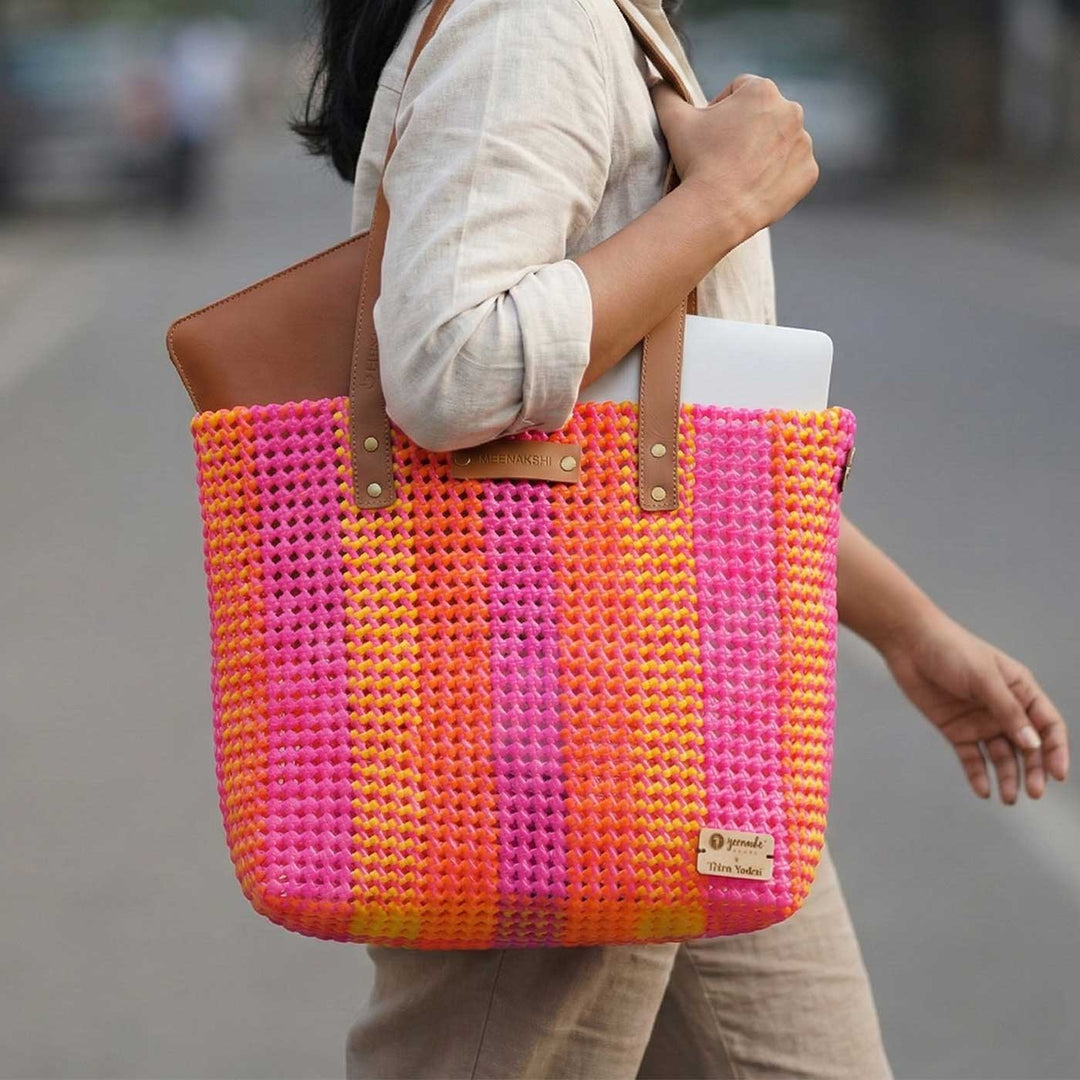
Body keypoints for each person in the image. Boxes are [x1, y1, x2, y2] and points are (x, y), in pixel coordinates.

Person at [293, 1, 1072, 1076]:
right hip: (535, 742)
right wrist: (724, 199)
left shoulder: (614, 22)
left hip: (679, 725)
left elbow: (667, 455)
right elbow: (448, 372)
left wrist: (906, 628)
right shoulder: (529, 25)